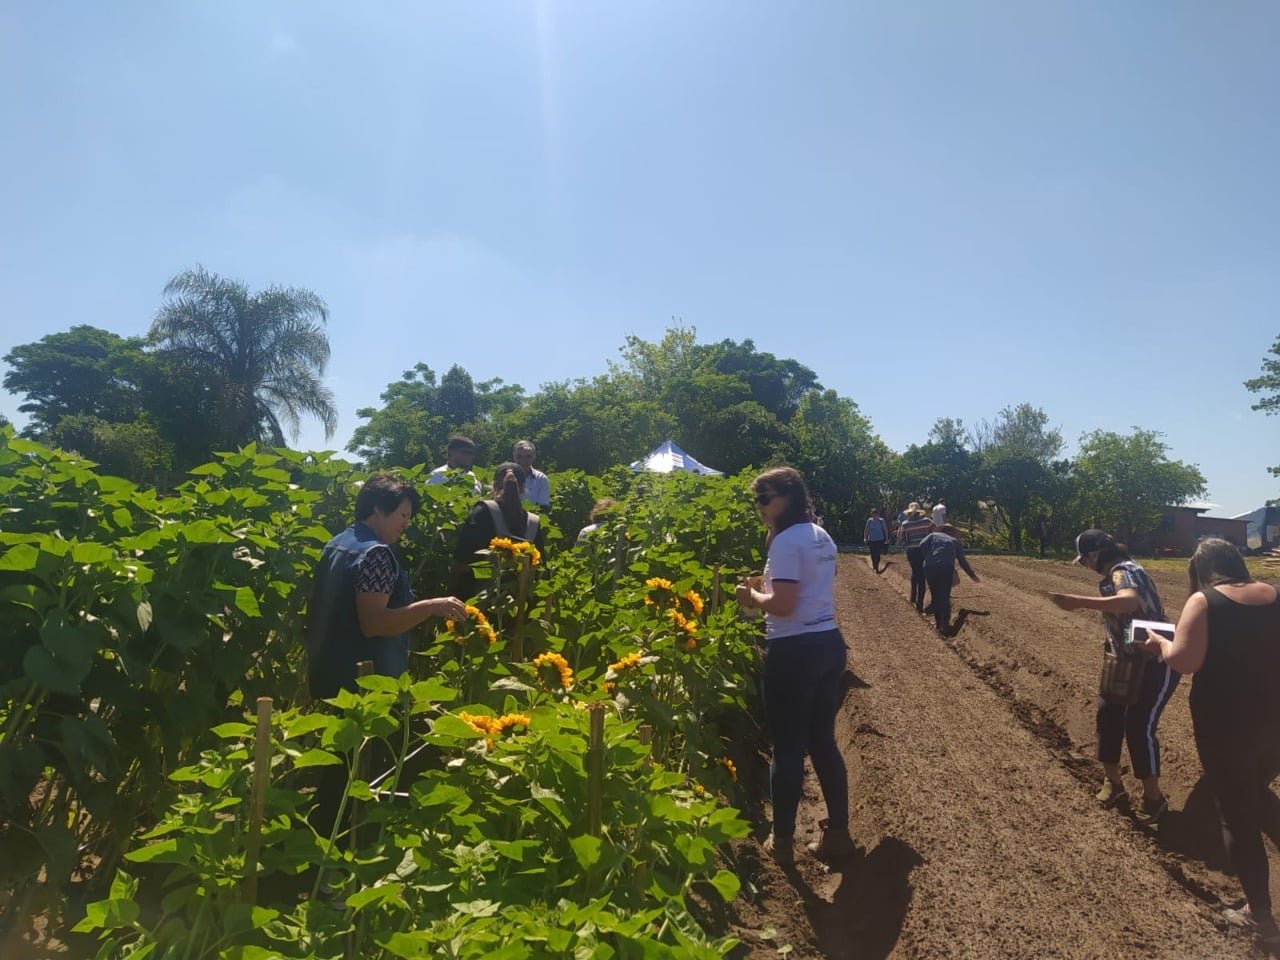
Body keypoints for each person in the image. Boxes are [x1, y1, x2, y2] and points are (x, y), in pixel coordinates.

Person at [1140, 538, 1280, 945]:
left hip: (1226, 725)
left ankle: (1259, 916)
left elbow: (1185, 660)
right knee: (1255, 790)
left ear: (1199, 571)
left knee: (1236, 810)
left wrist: (1159, 643)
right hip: (1275, 721)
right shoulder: (1275, 594)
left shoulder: (1204, 601)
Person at [734, 467, 853, 866]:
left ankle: (781, 842)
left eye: (765, 498)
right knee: (822, 741)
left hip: (793, 650)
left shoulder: (786, 541)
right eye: (758, 500)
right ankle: (838, 835)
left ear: (788, 497)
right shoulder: (821, 535)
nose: (760, 507)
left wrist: (751, 595)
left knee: (786, 749)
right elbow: (811, 588)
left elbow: (783, 604)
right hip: (828, 644)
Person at [1047, 529, 1179, 821]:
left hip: (1155, 661)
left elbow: (1129, 601)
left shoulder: (1123, 571)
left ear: (1096, 554)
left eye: (1084, 560)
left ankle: (1154, 800)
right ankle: (1113, 782)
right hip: (1125, 661)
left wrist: (1078, 601)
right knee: (1107, 716)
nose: (1084, 565)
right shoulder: (1116, 574)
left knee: (1138, 724)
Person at [306, 474, 468, 699]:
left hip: (328, 675)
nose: (405, 524)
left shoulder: (335, 544)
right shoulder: (376, 554)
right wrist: (430, 607)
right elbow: (374, 623)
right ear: (378, 509)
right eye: (402, 515)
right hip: (362, 686)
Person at [451, 462, 545, 599]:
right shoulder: (534, 522)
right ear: (523, 489)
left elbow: (463, 563)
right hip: (521, 607)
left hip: (479, 603)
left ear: (494, 486)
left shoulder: (483, 511)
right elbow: (539, 571)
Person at [918, 525, 979, 634]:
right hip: (946, 568)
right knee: (945, 596)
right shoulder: (955, 541)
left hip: (929, 567)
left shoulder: (932, 535)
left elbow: (921, 544)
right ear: (953, 533)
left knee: (935, 595)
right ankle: (945, 624)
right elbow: (962, 561)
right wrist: (972, 575)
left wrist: (928, 555)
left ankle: (938, 624)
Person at [896, 503, 933, 613]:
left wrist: (905, 544)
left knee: (916, 572)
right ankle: (919, 601)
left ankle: (914, 597)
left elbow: (900, 540)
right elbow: (937, 530)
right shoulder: (926, 521)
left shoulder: (905, 524)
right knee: (922, 575)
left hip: (912, 552)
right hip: (924, 551)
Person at [512, 440, 550, 509]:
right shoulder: (503, 476)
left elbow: (543, 507)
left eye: (528, 457)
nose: (523, 460)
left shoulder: (541, 479)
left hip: (531, 518)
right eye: (519, 456)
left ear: (534, 457)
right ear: (513, 456)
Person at [863, 507, 890, 574]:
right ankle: (874, 565)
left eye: (875, 515)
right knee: (872, 553)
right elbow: (866, 530)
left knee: (877, 553)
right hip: (871, 539)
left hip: (879, 539)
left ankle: (876, 565)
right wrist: (865, 538)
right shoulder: (869, 521)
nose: (874, 517)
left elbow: (885, 530)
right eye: (873, 515)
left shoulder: (881, 521)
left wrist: (886, 539)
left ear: (878, 515)